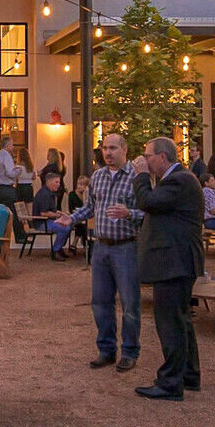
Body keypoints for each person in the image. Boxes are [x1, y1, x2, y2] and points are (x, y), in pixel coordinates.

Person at [57, 133, 145, 371]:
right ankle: (106, 350)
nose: (108, 152)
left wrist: (130, 214)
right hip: (101, 247)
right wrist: (72, 218)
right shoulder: (97, 177)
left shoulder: (137, 178)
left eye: (113, 148)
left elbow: (148, 213)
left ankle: (129, 352)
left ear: (124, 150)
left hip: (126, 247)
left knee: (129, 304)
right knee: (100, 302)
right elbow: (90, 207)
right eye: (105, 148)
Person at [132, 137, 205, 400]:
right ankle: (189, 375)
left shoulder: (179, 180)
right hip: (178, 261)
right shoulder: (179, 180)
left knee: (170, 323)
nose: (145, 161)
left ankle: (170, 383)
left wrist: (140, 176)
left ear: (162, 157)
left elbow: (148, 202)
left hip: (173, 262)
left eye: (148, 156)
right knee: (181, 319)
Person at [34, 174, 72, 259]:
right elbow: (43, 213)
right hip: (41, 222)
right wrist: (58, 215)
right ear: (49, 182)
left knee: (69, 226)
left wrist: (62, 214)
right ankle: (55, 251)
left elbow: (52, 210)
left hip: (48, 220)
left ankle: (59, 248)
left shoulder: (49, 193)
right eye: (56, 182)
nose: (59, 184)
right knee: (64, 228)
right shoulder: (44, 194)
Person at [0, 136, 18, 213]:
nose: (13, 147)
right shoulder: (6, 156)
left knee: (0, 212)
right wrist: (18, 171)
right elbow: (10, 173)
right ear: (8, 145)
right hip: (6, 188)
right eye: (12, 145)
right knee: (11, 212)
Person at [67, 174, 90, 256]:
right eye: (78, 184)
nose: (79, 186)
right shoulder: (72, 194)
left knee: (85, 225)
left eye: (82, 184)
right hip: (76, 216)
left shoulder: (88, 195)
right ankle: (85, 247)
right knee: (82, 226)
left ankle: (74, 243)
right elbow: (71, 209)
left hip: (85, 218)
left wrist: (85, 195)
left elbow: (88, 207)